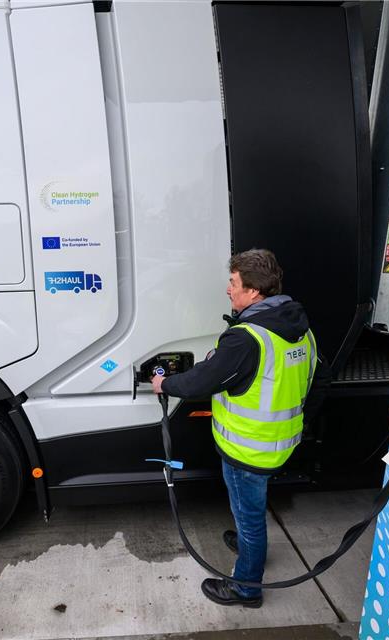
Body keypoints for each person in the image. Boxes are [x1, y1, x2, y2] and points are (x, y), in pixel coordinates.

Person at [151, 248, 330, 608]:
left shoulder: (248, 338)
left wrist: (165, 385)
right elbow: (319, 382)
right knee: (251, 510)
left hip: (247, 450)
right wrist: (299, 422)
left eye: (233, 283)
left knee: (249, 517)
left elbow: (204, 381)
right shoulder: (299, 328)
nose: (228, 290)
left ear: (253, 291)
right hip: (278, 444)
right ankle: (251, 547)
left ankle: (246, 588)